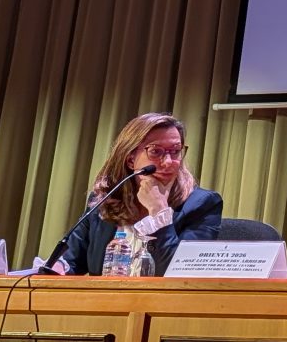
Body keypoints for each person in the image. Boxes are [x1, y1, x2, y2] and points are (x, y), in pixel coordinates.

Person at [54, 112, 222, 276]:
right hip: (104, 301)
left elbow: (181, 274)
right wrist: (58, 267)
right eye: (156, 152)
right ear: (130, 159)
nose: (168, 162)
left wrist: (159, 211)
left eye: (175, 151)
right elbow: (71, 261)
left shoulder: (202, 204)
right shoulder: (106, 198)